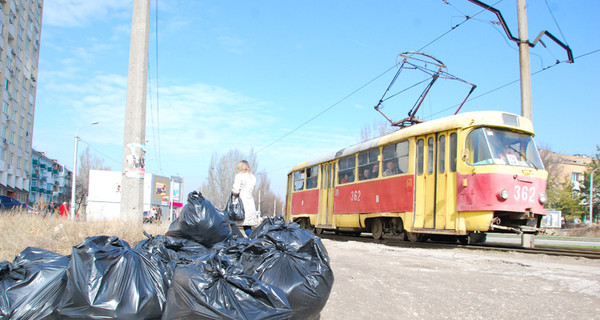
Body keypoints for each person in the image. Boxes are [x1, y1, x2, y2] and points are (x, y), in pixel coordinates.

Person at [232, 160, 258, 237]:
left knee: (230, 224)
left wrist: (232, 191)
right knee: (247, 228)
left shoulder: (239, 176)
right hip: (250, 204)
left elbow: (235, 190)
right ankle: (254, 242)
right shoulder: (252, 177)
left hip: (240, 205)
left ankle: (253, 241)